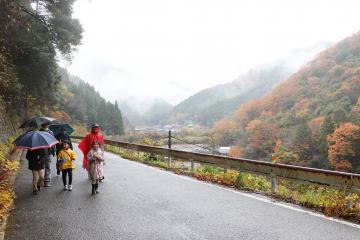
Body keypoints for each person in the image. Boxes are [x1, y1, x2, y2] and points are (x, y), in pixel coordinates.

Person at [39, 122, 55, 187]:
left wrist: (54, 151)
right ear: (43, 125)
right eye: (46, 124)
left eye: (48, 124)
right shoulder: (39, 132)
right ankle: (40, 180)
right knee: (40, 167)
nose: (47, 125)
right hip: (40, 152)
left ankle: (47, 181)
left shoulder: (51, 132)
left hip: (48, 152)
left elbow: (53, 141)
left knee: (48, 167)